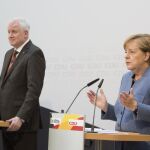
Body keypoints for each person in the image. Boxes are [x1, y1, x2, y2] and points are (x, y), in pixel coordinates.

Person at [87, 34, 150, 150]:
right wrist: (106, 107)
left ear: (146, 55)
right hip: (120, 144)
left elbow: (134, 108)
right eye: (126, 52)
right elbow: (123, 116)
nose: (126, 56)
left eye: (132, 52)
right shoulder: (126, 78)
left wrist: (136, 106)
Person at [0, 18, 46, 150]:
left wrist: (20, 117)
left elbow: (34, 90)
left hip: (22, 125)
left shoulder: (34, 53)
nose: (10, 35)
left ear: (25, 33)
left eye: (14, 31)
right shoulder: (9, 54)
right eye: (8, 32)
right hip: (5, 123)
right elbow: (3, 87)